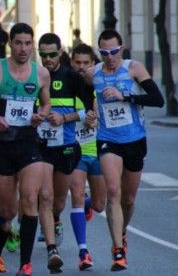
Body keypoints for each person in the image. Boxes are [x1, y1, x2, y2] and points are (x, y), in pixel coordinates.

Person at [0, 22, 52, 276]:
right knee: (8, 211)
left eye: (28, 43)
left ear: (32, 44)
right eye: (18, 43)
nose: (23, 48)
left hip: (28, 143)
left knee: (29, 198)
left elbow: (46, 105)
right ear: (10, 44)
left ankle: (25, 265)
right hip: (1, 146)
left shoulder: (41, 74)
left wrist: (41, 114)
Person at [84, 29, 164, 271]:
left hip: (135, 139)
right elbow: (85, 96)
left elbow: (157, 99)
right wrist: (89, 112)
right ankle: (118, 250)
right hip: (107, 139)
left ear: (122, 48)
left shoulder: (133, 68)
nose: (110, 57)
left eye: (114, 51)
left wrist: (126, 96)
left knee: (128, 199)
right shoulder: (93, 73)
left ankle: (122, 232)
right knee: (113, 190)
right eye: (104, 52)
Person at [36, 33, 94, 273]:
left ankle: (56, 219)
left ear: (60, 52)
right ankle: (52, 249)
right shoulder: (33, 75)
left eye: (52, 54)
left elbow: (90, 111)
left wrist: (65, 117)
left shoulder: (71, 77)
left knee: (58, 201)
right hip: (39, 148)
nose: (47, 59)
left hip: (67, 147)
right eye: (43, 55)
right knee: (45, 197)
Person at [69, 43, 106, 270]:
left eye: (86, 63)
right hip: (75, 150)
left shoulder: (101, 87)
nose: (82, 68)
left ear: (94, 64)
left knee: (101, 205)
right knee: (76, 196)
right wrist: (80, 116)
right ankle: (83, 251)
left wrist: (97, 119)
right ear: (72, 62)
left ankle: (89, 204)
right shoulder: (66, 86)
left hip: (98, 151)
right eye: (78, 63)